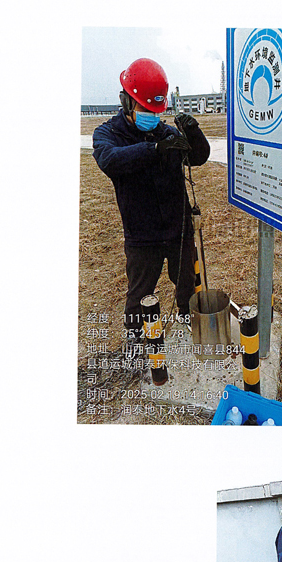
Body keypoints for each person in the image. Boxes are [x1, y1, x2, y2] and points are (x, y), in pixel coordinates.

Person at [92, 58, 211, 358]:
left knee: (186, 282)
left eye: (156, 111)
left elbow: (198, 157)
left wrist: (193, 133)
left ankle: (186, 319)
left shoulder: (165, 133)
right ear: (127, 102)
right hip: (142, 235)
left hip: (178, 227)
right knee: (140, 292)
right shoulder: (108, 134)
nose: (152, 117)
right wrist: (153, 150)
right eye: (146, 110)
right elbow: (109, 160)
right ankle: (135, 338)